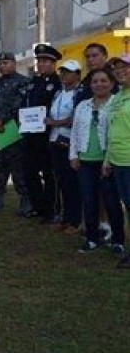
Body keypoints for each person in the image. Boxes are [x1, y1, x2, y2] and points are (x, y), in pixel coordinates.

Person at [72, 68, 122, 254]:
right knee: (89, 200)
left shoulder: (116, 104)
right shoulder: (83, 105)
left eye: (103, 81)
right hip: (85, 160)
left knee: (111, 201)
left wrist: (108, 160)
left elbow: (116, 133)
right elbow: (75, 132)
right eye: (95, 81)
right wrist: (73, 155)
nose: (99, 84)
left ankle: (118, 240)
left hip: (107, 161)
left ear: (111, 83)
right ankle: (91, 238)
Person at [18, 43, 63, 221]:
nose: (41, 64)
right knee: (29, 172)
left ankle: (51, 210)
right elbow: (24, 106)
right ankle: (38, 207)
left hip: (47, 135)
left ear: (53, 64)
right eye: (39, 61)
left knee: (49, 174)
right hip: (30, 135)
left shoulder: (57, 84)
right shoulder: (32, 83)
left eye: (45, 61)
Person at [0, 51, 30, 211]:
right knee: (0, 166)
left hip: (14, 130)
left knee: (18, 167)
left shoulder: (23, 82)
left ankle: (25, 200)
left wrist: (2, 120)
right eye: (0, 64)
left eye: (6, 63)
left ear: (14, 63)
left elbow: (19, 105)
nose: (3, 66)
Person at [48, 61, 83, 231]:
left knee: (72, 183)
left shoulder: (80, 94)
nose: (63, 75)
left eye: (68, 72)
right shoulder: (58, 93)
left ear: (77, 74)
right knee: (60, 181)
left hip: (71, 142)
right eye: (62, 71)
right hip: (55, 141)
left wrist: (54, 122)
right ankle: (64, 217)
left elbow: (74, 119)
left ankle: (75, 220)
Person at [104, 55, 130, 268]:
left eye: (125, 67)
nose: (120, 71)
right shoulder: (118, 96)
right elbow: (113, 132)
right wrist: (107, 159)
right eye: (117, 68)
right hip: (118, 160)